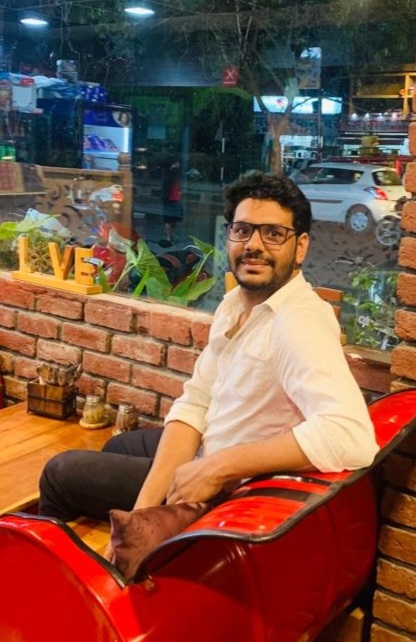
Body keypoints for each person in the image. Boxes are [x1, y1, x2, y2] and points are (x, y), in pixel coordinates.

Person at [38, 171, 379, 536]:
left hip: (226, 489)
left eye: (274, 233)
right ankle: (139, 539)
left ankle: (61, 564)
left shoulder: (298, 321)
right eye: (243, 230)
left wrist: (217, 467)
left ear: (301, 247)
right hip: (210, 445)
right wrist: (141, 514)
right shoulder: (235, 304)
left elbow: (350, 436)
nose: (254, 245)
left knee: (59, 474)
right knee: (119, 445)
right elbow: (198, 401)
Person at [160, 160, 184, 245]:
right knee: (170, 219)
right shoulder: (170, 174)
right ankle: (168, 237)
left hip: (174, 199)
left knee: (172, 219)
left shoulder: (172, 175)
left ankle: (170, 235)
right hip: (171, 199)